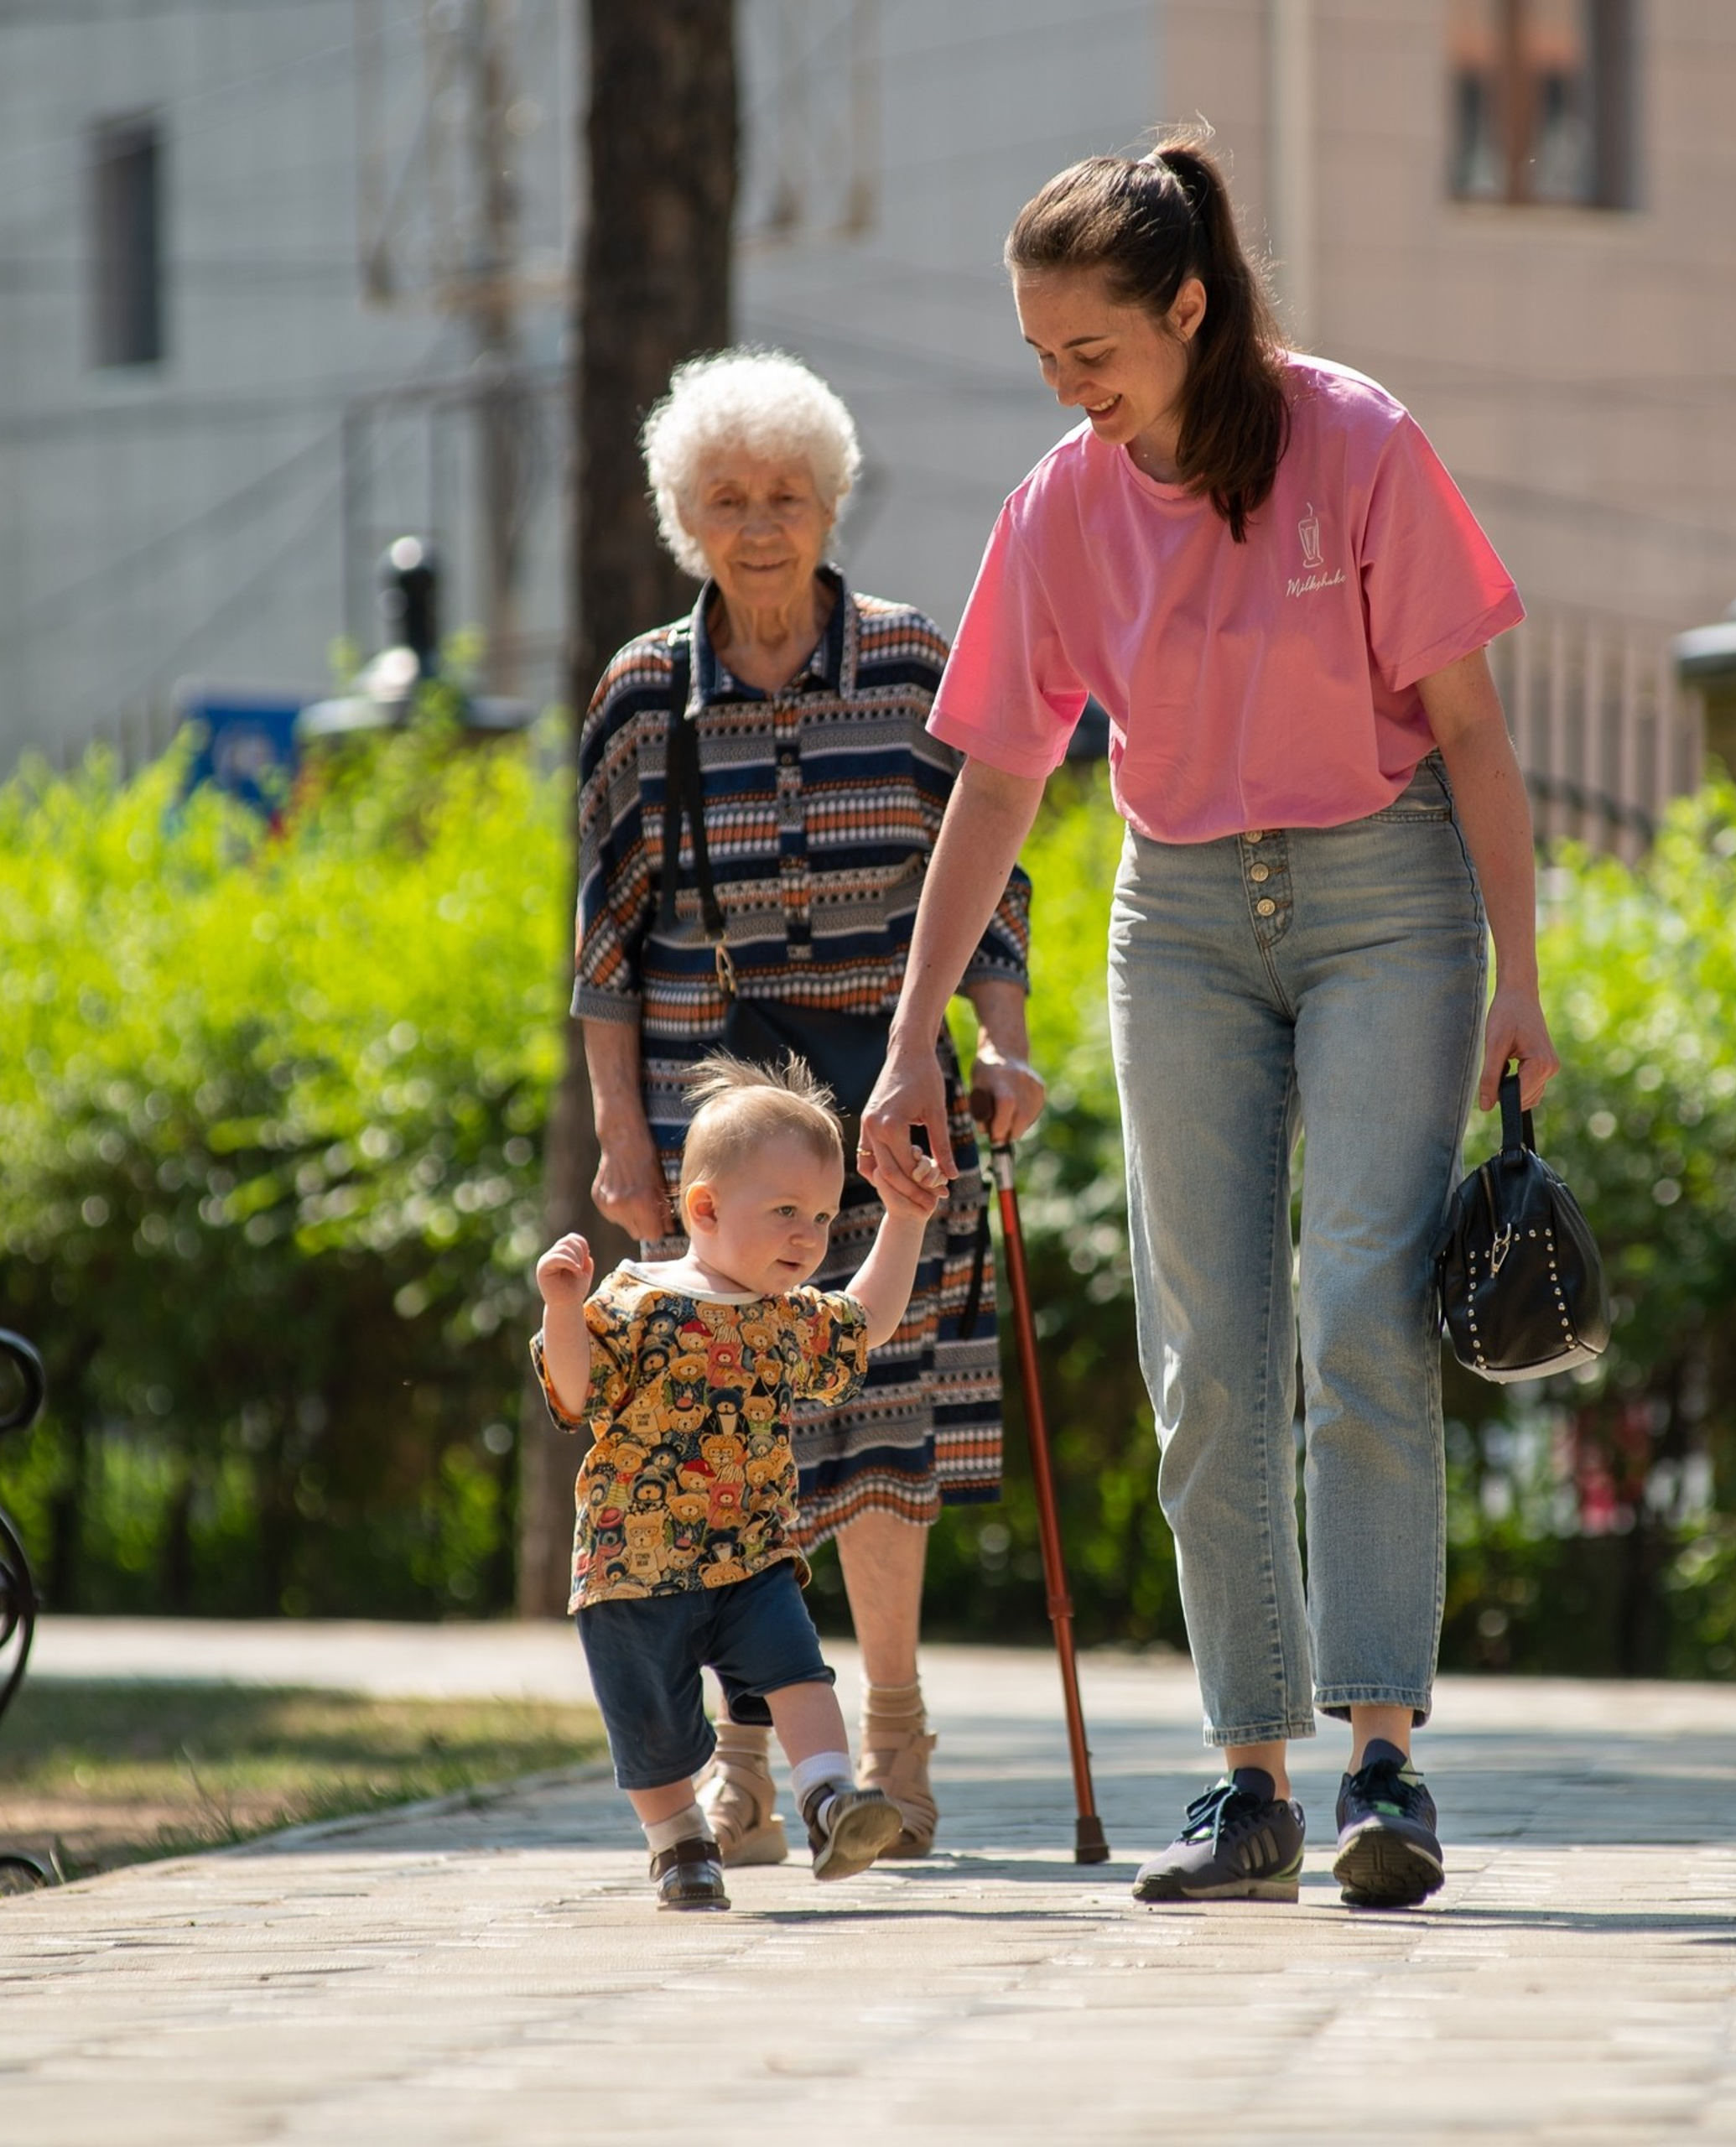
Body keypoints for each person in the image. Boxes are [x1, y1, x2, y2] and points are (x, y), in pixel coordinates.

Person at [860, 136, 1558, 1910]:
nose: (1067, 390)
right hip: (1173, 912)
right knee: (1203, 1349)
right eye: (1039, 357)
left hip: (1385, 898)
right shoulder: (1060, 502)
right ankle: (1243, 1776)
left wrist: (1524, 979)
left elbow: (1472, 733)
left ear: (1188, 306)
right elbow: (1002, 781)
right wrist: (906, 1035)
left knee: (1354, 1306)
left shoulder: (1355, 444)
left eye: (1091, 351)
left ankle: (1380, 1758)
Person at [571, 350, 1047, 1864]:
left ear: (832, 503)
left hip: (893, 1093)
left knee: (881, 1409)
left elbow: (999, 887)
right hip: (709, 1121)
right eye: (728, 499)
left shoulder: (915, 664)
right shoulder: (646, 690)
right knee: (714, 1423)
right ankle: (748, 1767)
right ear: (685, 519)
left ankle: (892, 1743)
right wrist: (623, 1138)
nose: (761, 524)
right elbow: (602, 940)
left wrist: (1007, 1044)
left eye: (786, 495)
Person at [533, 1053, 951, 1909]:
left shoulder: (784, 1316)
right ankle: (680, 1841)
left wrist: (902, 1220)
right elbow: (572, 1393)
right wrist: (561, 1309)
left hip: (752, 1556)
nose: (809, 1237)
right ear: (705, 1208)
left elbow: (864, 1320)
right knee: (649, 1726)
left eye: (825, 1218)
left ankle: (832, 1800)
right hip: (632, 1565)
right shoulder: (636, 1300)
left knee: (798, 1671)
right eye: (787, 1212)